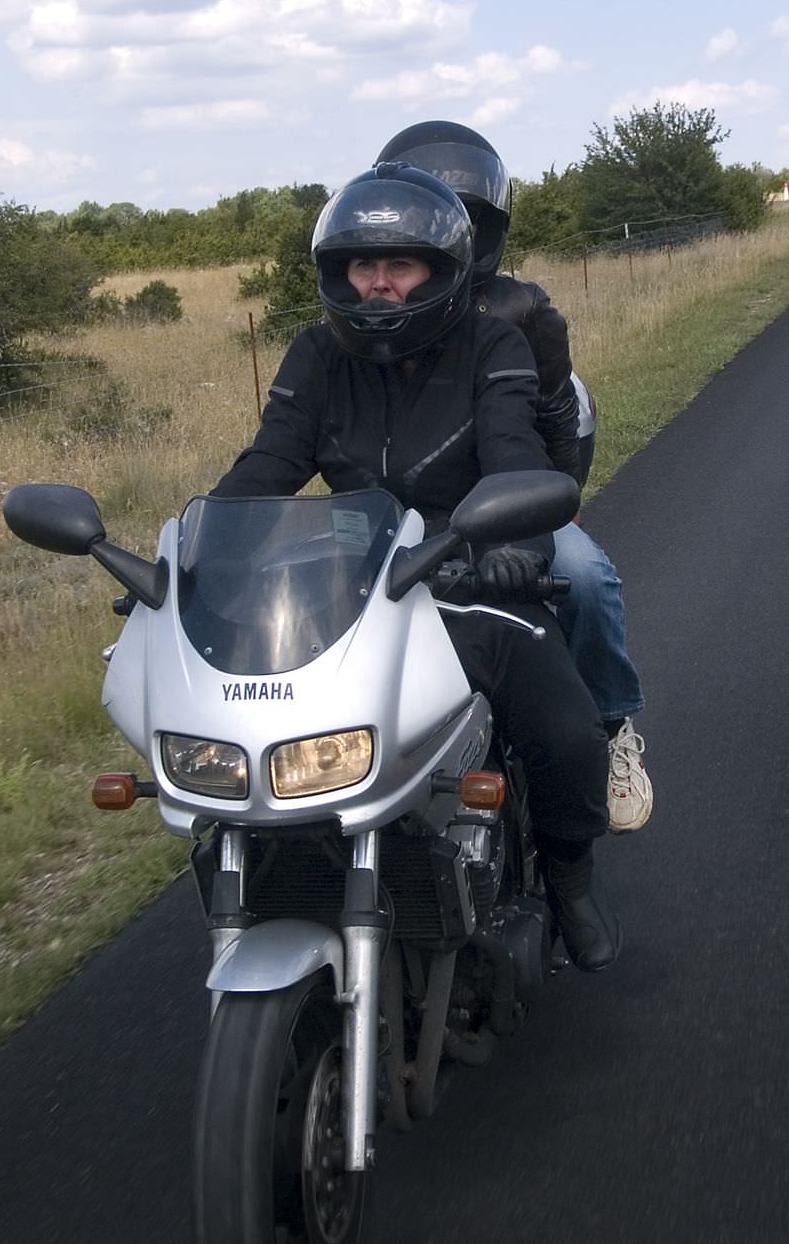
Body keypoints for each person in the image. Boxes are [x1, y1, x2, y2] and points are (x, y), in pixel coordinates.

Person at [213, 162, 620, 971]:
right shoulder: (317, 355)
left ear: (441, 272)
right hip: (353, 581)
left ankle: (571, 878)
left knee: (569, 733)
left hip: (468, 567)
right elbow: (269, 466)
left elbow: (513, 452)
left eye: (399, 267)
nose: (378, 286)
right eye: (363, 266)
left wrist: (513, 547)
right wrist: (199, 552)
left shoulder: (491, 342)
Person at [376, 120, 653, 832]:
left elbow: (561, 412)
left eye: (465, 218)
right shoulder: (372, 309)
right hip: (404, 514)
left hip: (514, 494)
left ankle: (613, 726)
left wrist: (558, 504)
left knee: (586, 579)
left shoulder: (523, 308)